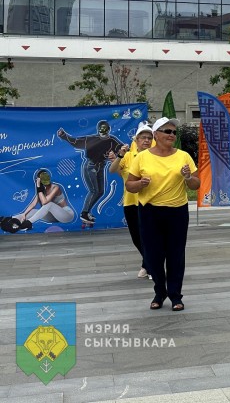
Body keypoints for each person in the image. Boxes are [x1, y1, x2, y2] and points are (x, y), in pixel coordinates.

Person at [126, 117, 198, 312]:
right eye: (167, 131)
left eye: (174, 132)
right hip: (150, 211)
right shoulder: (142, 157)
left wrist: (188, 177)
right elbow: (129, 185)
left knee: (176, 254)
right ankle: (160, 291)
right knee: (153, 256)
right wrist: (140, 184)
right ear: (156, 134)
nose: (171, 135)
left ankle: (175, 295)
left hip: (177, 211)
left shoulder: (183, 156)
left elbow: (196, 184)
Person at [57, 120, 126, 225]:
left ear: (109, 129)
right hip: (91, 165)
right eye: (101, 128)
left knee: (100, 191)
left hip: (101, 166)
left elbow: (122, 149)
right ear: (98, 129)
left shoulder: (112, 140)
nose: (103, 130)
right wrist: (64, 136)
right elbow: (75, 142)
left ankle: (87, 211)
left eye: (105, 128)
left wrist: (127, 149)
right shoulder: (92, 139)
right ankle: (84, 213)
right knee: (94, 190)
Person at [110, 121, 154, 278]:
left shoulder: (156, 156)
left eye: (149, 138)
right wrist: (119, 156)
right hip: (130, 202)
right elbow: (113, 169)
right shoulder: (128, 156)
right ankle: (148, 263)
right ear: (136, 140)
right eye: (143, 138)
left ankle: (150, 266)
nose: (146, 141)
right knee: (136, 237)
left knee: (149, 236)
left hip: (150, 202)